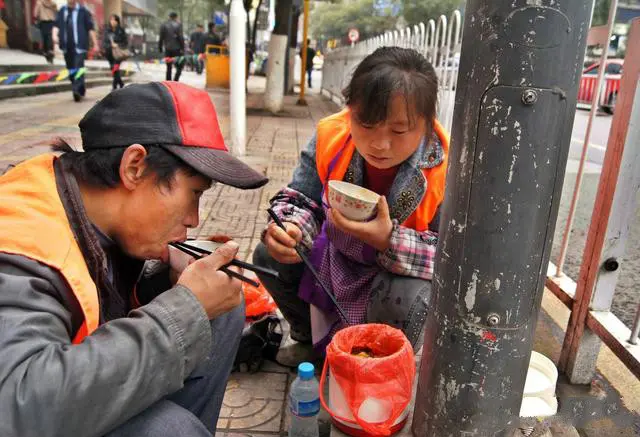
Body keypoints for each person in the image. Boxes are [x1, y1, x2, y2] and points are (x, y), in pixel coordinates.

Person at [0, 82, 269, 436]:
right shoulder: (22, 247)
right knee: (169, 430)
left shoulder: (92, 205)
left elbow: (100, 302)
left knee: (221, 307)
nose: (194, 219)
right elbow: (19, 405)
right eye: (193, 194)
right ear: (135, 167)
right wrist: (181, 311)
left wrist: (162, 282)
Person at [252, 47, 448, 366]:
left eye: (399, 131)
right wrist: (291, 228)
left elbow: (453, 259)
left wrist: (390, 241)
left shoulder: (444, 168)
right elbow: (303, 198)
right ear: (351, 110)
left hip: (393, 275)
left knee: (410, 299)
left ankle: (374, 366)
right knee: (269, 257)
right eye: (366, 124)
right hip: (335, 256)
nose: (380, 144)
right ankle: (311, 343)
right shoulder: (333, 135)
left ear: (426, 124)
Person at [52, 0, 98, 102]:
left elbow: (90, 28)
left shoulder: (83, 11)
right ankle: (80, 88)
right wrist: (54, 35)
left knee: (78, 66)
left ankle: (76, 90)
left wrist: (95, 44)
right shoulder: (62, 11)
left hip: (80, 46)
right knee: (71, 70)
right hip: (66, 47)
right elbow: (56, 25)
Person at [102, 14, 128, 90]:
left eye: (114, 20)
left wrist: (117, 44)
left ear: (117, 21)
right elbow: (104, 43)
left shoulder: (121, 30)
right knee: (113, 69)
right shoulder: (107, 30)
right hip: (109, 53)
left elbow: (125, 42)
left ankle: (114, 86)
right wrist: (110, 45)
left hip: (118, 54)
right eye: (111, 20)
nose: (112, 22)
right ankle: (121, 84)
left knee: (115, 68)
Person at [159, 12, 185, 82]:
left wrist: (160, 47)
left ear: (169, 17)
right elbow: (180, 37)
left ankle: (168, 82)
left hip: (168, 49)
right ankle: (176, 80)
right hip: (177, 49)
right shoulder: (178, 25)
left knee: (168, 67)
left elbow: (161, 37)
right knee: (179, 66)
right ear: (176, 17)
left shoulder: (163, 25)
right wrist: (183, 48)